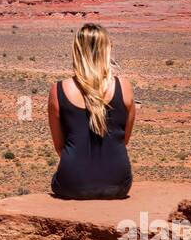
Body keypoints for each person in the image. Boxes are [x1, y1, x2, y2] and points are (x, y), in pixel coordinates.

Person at [47, 22, 134, 200]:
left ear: (77, 51)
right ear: (107, 50)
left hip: (72, 185)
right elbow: (124, 140)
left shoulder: (58, 90)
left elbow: (59, 147)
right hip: (118, 185)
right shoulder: (124, 87)